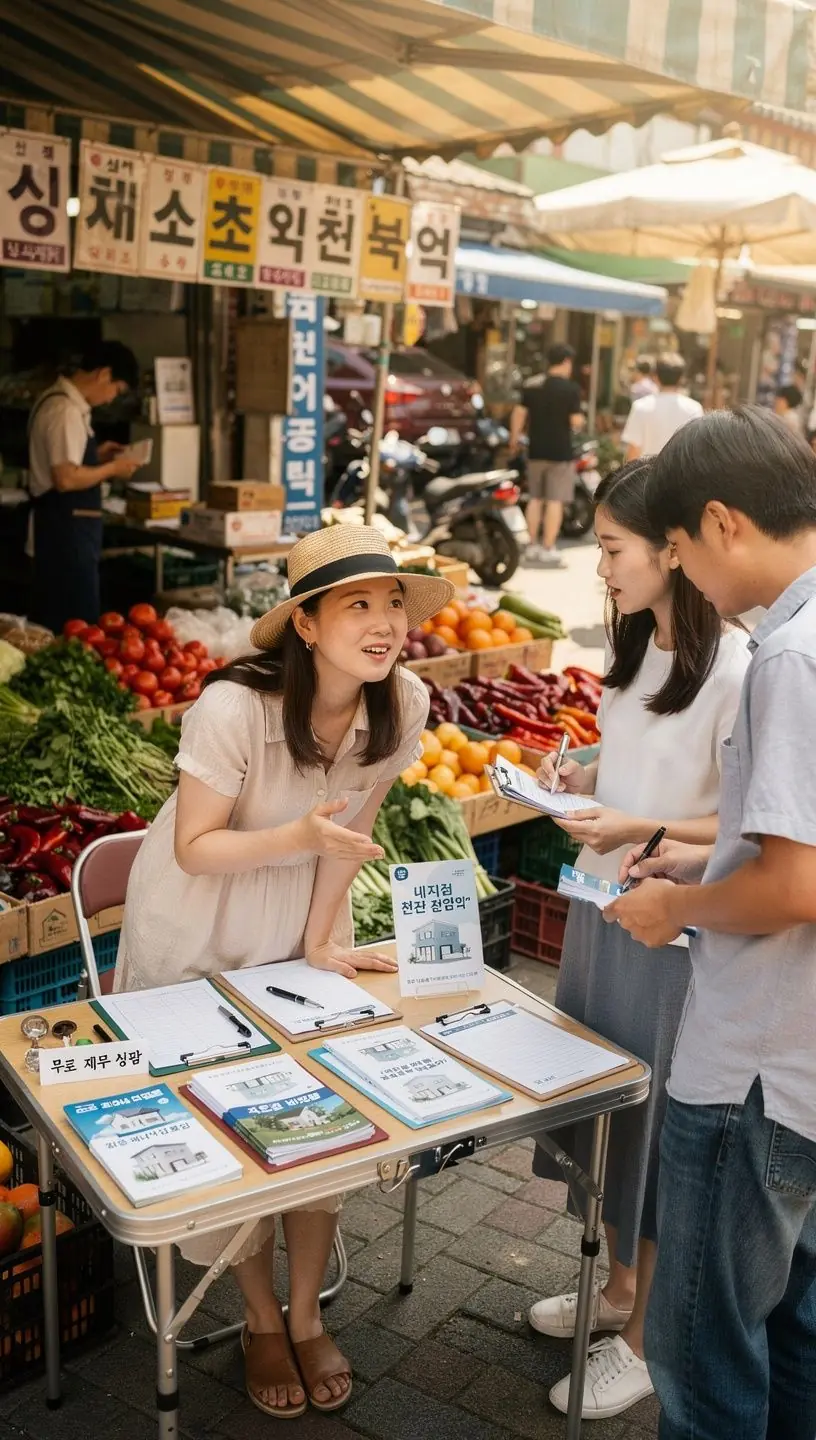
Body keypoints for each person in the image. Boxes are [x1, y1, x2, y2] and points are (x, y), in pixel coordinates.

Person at [113, 525, 454, 1421]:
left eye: (392, 604)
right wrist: (297, 839)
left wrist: (318, 944)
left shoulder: (403, 701)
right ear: (304, 622)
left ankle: (306, 1315)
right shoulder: (234, 709)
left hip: (294, 919)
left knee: (319, 1117)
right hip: (196, 923)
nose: (384, 624)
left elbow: (347, 841)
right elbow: (193, 847)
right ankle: (260, 1317)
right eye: (357, 605)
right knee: (231, 1140)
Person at [607, 407, 816, 1440]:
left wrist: (677, 905)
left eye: (679, 550)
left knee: (700, 1357)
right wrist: (712, 854)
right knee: (796, 1342)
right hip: (804, 1073)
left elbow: (794, 889)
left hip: (755, 1074)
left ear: (725, 523)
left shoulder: (788, 656)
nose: (683, 577)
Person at [527, 459, 749, 1421]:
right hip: (601, 911)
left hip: (672, 935)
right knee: (609, 1110)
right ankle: (619, 1286)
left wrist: (641, 832)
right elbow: (639, 764)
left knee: (657, 1130)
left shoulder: (740, 669)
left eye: (613, 548)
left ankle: (647, 1338)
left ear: (674, 547)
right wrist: (581, 774)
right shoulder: (633, 646)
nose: (601, 565)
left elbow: (748, 829)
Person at [27, 341, 142, 633]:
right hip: (64, 535)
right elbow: (65, 478)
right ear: (104, 374)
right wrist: (112, 469)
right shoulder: (63, 410)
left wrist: (98, 456)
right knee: (71, 623)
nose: (110, 399)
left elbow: (68, 462)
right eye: (116, 390)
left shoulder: (60, 402)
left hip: (67, 533)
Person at [510, 342, 584, 567]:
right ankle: (548, 547)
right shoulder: (571, 390)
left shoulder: (532, 386)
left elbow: (519, 414)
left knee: (535, 499)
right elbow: (575, 422)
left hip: (536, 450)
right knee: (555, 501)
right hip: (560, 452)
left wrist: (514, 439)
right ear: (566, 362)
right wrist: (580, 423)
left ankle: (531, 545)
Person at [621, 354, 702, 462]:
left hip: (647, 475)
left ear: (655, 377)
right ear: (681, 379)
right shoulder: (694, 409)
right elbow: (697, 451)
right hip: (681, 476)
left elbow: (633, 451)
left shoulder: (641, 407)